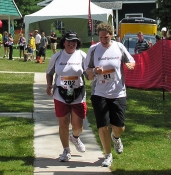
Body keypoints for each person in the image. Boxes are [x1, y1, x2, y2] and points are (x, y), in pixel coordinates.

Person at [84, 22, 135, 167]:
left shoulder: (119, 47)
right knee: (103, 125)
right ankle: (107, 155)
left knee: (119, 126)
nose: (103, 40)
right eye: (100, 38)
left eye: (106, 37)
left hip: (118, 92)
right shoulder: (93, 49)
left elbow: (131, 60)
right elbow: (87, 70)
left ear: (111, 35)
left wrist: (131, 65)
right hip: (99, 92)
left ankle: (116, 137)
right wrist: (94, 71)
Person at [46, 30, 88, 162]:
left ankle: (75, 138)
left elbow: (88, 73)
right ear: (64, 42)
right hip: (60, 93)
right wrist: (49, 85)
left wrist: (95, 74)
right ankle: (66, 150)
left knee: (78, 126)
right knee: (63, 123)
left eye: (74, 41)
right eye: (69, 41)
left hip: (78, 93)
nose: (72, 44)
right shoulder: (57, 56)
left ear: (77, 43)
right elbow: (49, 72)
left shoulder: (82, 56)